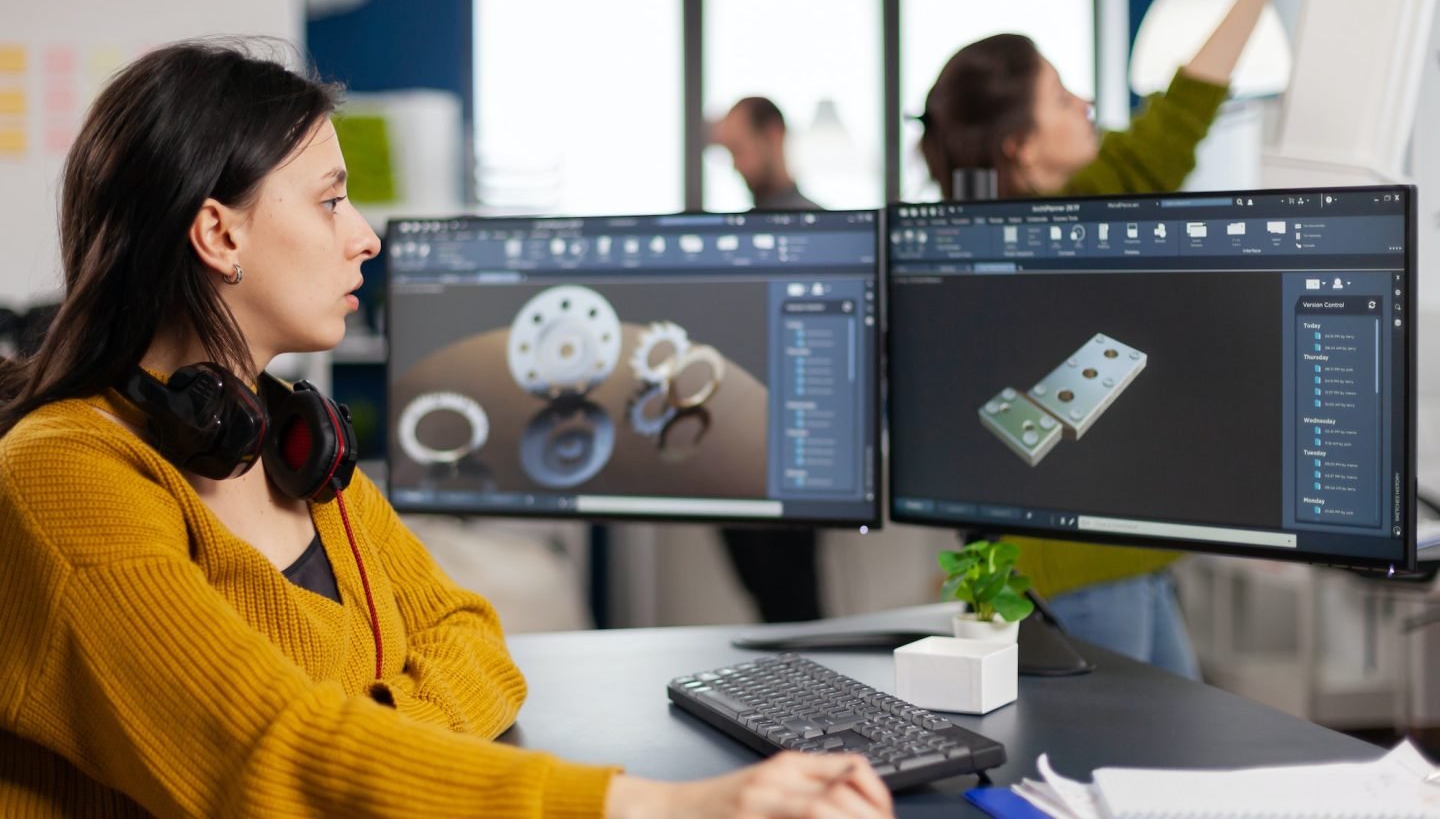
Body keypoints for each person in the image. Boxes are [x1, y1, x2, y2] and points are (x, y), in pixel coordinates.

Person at [0, 40, 893, 818]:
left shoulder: (293, 447)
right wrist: (658, 807)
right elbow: (263, 757)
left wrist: (373, 752)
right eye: (328, 202)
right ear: (217, 234)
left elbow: (471, 636)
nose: (365, 238)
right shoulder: (62, 480)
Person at [918, 0, 1299, 678]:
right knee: (1118, 768)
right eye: (1064, 99)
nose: (1087, 104)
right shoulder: (969, 263)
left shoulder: (1096, 198)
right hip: (1066, 577)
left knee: (1165, 765)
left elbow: (1186, 104)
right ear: (1023, 148)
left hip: (1131, 561)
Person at [711, 96, 825, 623]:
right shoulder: (733, 237)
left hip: (791, 453)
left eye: (739, 148)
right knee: (765, 595)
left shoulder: (820, 231)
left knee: (792, 597)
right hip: (736, 444)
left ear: (773, 135)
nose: (734, 162)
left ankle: (810, 698)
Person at [712, 96, 821, 212]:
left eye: (738, 150)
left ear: (773, 136)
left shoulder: (820, 226)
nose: (735, 166)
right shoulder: (745, 225)